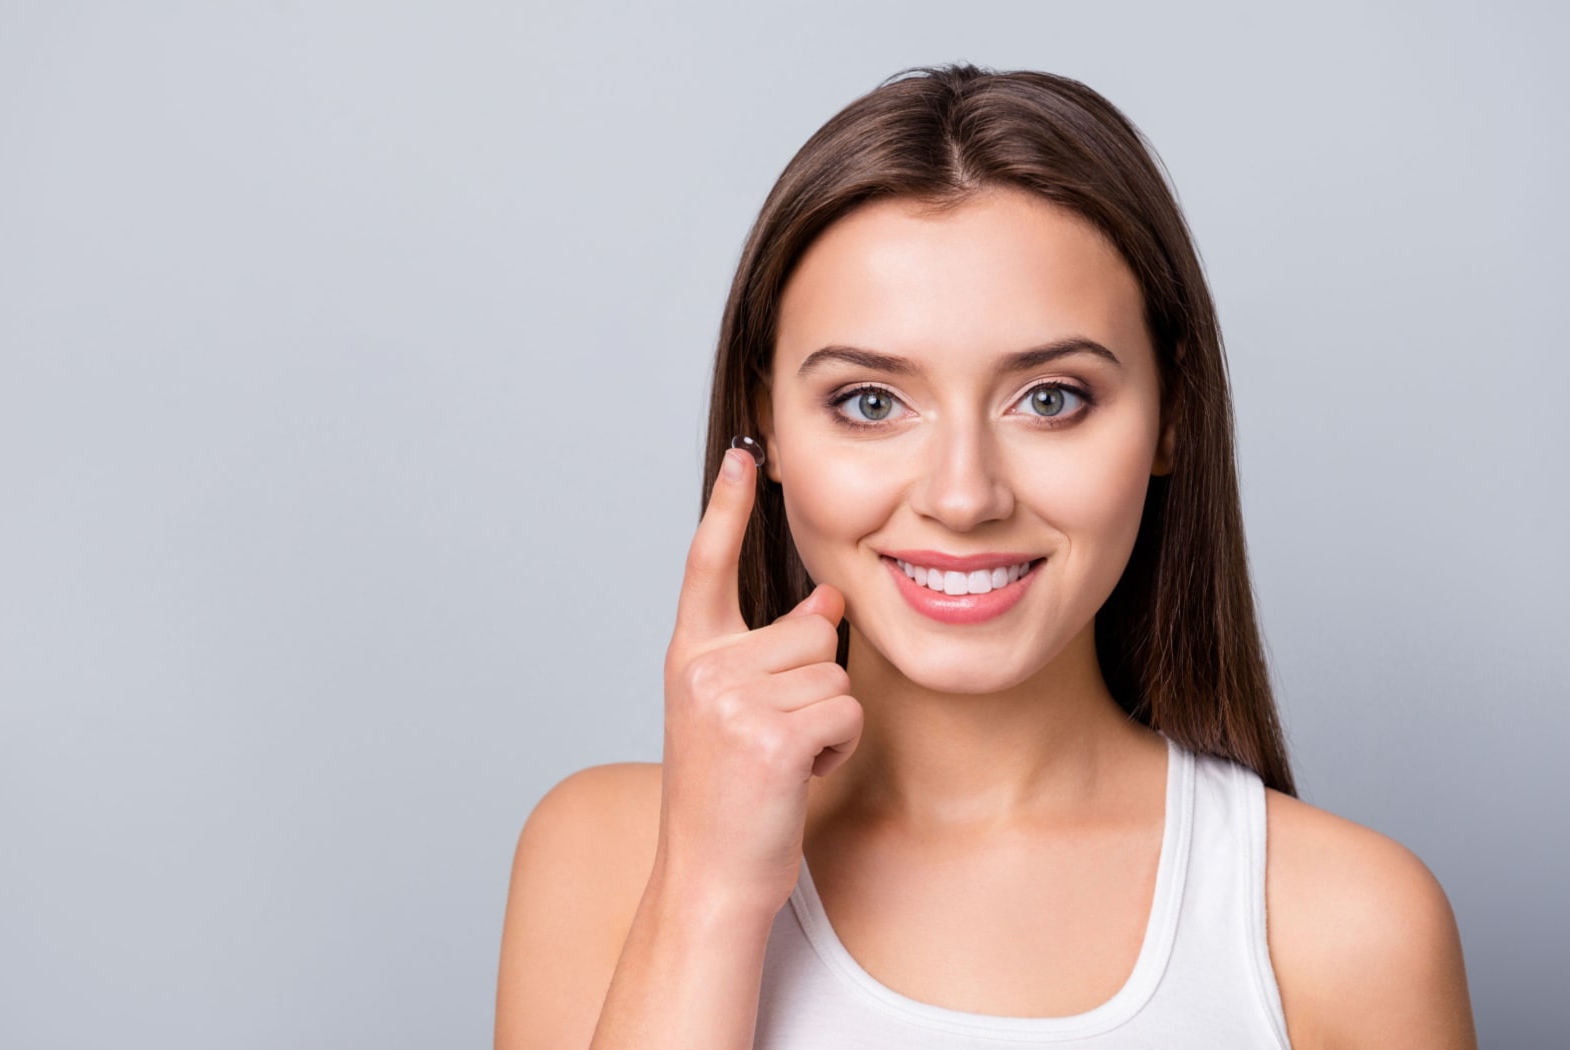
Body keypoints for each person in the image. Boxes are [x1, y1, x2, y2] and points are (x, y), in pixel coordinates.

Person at [493, 64, 1477, 1049]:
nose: (962, 497)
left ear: (1172, 413)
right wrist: (707, 893)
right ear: (768, 424)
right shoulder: (605, 858)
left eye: (1049, 398)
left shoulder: (1344, 926)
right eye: (870, 403)